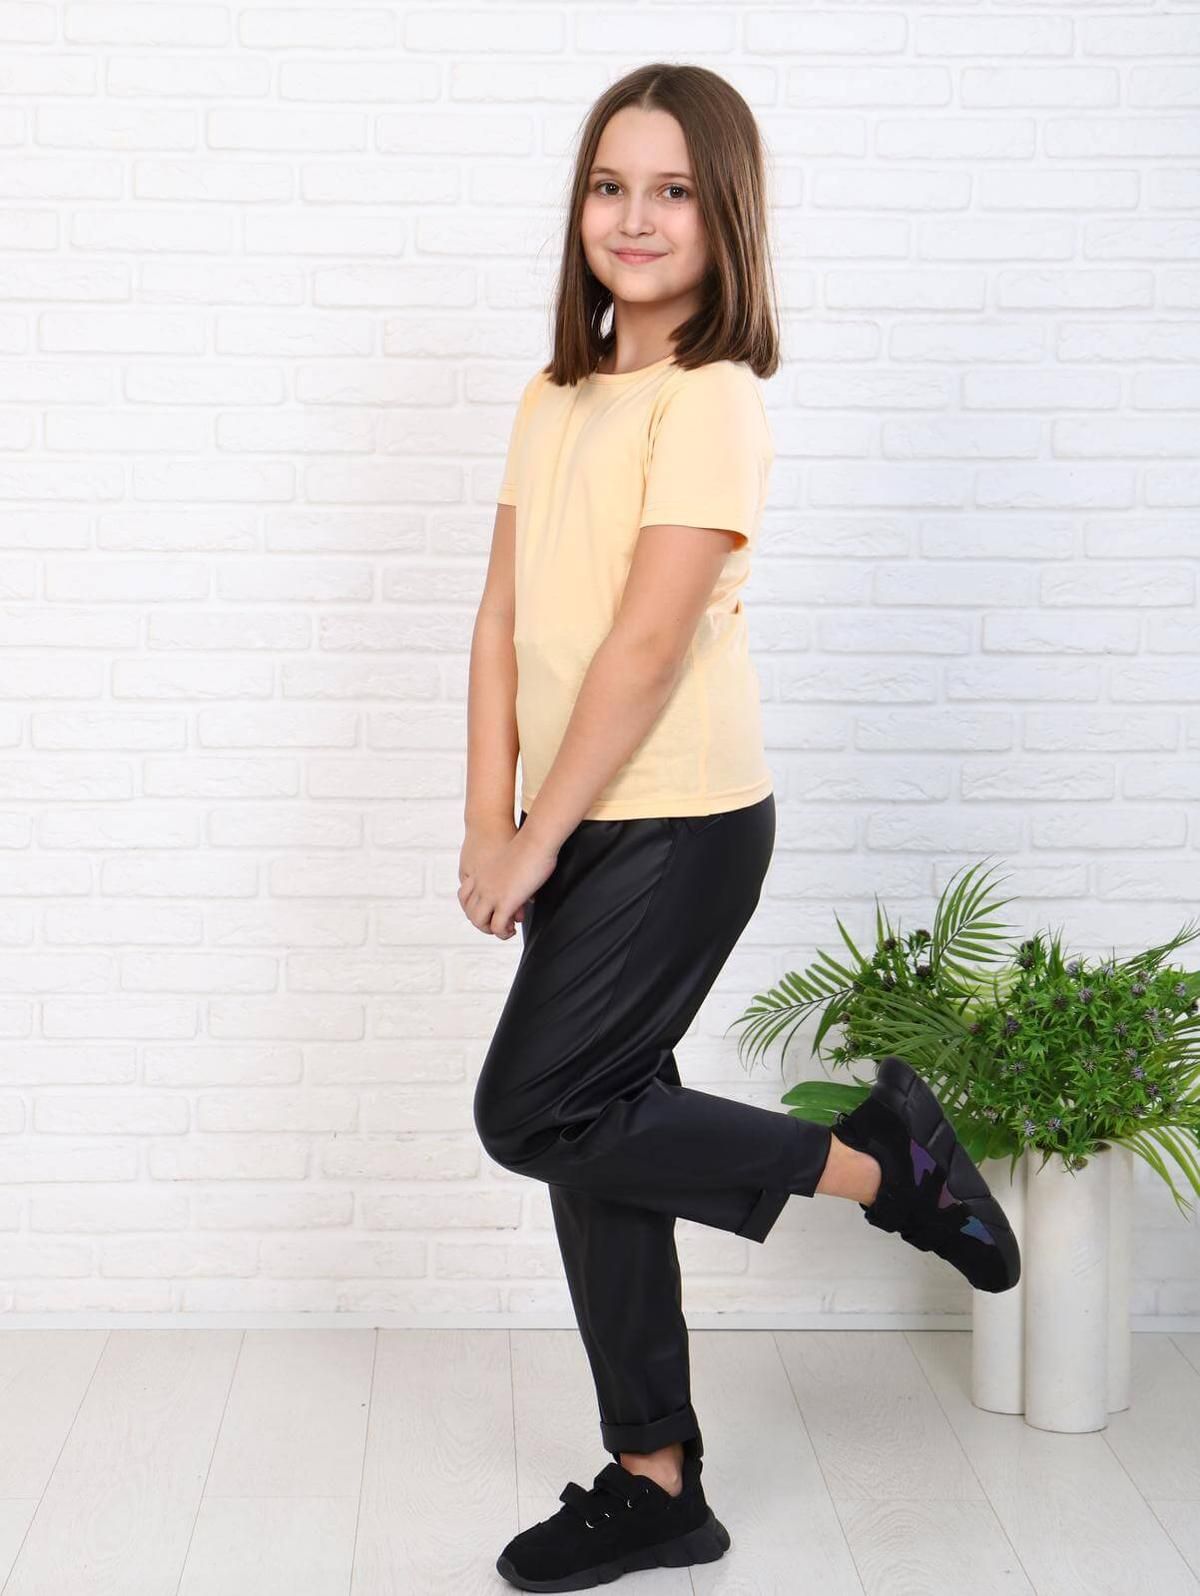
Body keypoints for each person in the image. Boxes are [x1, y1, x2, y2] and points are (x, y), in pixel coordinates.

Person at [459, 63, 1021, 1593]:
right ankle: (657, 1483)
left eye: (673, 191)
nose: (634, 218)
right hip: (581, 816)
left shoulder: (710, 399)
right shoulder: (554, 396)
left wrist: (537, 837)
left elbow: (647, 647)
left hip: (680, 823)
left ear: (727, 219)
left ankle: (888, 1167)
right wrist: (488, 818)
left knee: (534, 1111)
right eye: (609, 185)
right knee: (597, 1130)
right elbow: (501, 619)